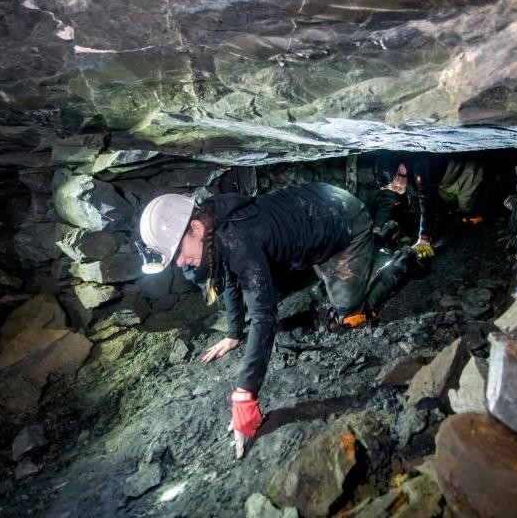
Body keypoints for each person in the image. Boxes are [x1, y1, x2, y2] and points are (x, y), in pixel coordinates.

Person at [138, 183, 375, 454]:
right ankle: (328, 273)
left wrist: (245, 394)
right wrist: (234, 333)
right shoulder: (211, 220)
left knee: (349, 315)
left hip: (343, 219)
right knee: (268, 284)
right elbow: (224, 275)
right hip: (314, 216)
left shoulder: (237, 238)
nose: (179, 263)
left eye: (179, 251)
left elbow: (264, 317)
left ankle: (397, 264)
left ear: (196, 228)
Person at [370, 151, 484, 257]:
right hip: (441, 182)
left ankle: (473, 219)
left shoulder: (421, 168)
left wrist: (424, 238)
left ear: (402, 169)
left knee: (466, 207)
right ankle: (453, 216)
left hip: (465, 172)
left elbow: (427, 201)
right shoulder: (406, 176)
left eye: (394, 185)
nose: (394, 189)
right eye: (390, 188)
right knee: (447, 204)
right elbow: (419, 203)